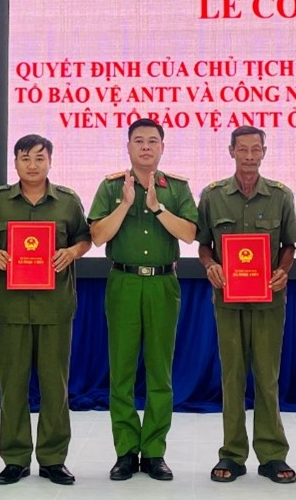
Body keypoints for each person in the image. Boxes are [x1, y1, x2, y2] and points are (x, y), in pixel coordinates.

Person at [0, 135, 91, 486]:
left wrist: (72, 252)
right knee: (12, 386)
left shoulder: (67, 201)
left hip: (54, 308)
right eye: (25, 158)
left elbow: (85, 238)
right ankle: (15, 459)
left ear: (50, 161)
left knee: (55, 387)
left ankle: (53, 459)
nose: (32, 165)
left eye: (40, 158)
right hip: (10, 309)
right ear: (15, 162)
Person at [89, 118, 197, 481]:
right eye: (139, 140)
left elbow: (190, 234)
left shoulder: (176, 188)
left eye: (153, 141)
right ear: (128, 146)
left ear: (162, 147)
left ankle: (153, 452)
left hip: (162, 285)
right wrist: (126, 204)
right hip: (124, 282)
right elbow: (98, 236)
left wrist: (157, 207)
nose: (146, 146)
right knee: (121, 371)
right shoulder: (111, 186)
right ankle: (125, 451)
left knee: (159, 372)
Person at [197, 126, 296, 484]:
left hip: (269, 301)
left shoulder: (281, 195)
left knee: (267, 378)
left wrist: (283, 270)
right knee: (232, 377)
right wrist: (210, 265)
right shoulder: (213, 196)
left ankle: (272, 455)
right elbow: (204, 244)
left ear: (264, 152)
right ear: (232, 152)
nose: (250, 156)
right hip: (228, 300)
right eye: (243, 149)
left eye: (256, 149)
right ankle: (232, 453)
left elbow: (289, 244)